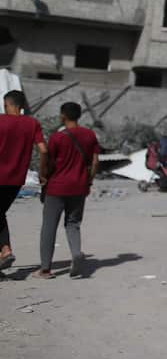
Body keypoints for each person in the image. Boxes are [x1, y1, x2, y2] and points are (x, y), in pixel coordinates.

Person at [36, 102, 99, 279]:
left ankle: (46, 269)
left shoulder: (57, 137)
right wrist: (89, 182)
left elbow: (49, 161)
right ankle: (76, 253)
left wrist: (43, 177)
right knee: (73, 224)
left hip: (57, 187)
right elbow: (95, 162)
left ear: (63, 115)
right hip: (79, 187)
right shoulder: (89, 135)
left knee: (49, 226)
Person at [0, 90, 47, 273]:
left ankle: (5, 250)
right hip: (16, 180)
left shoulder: (1, 120)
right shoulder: (32, 123)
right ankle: (5, 250)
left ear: (10, 105)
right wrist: (43, 174)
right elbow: (43, 150)